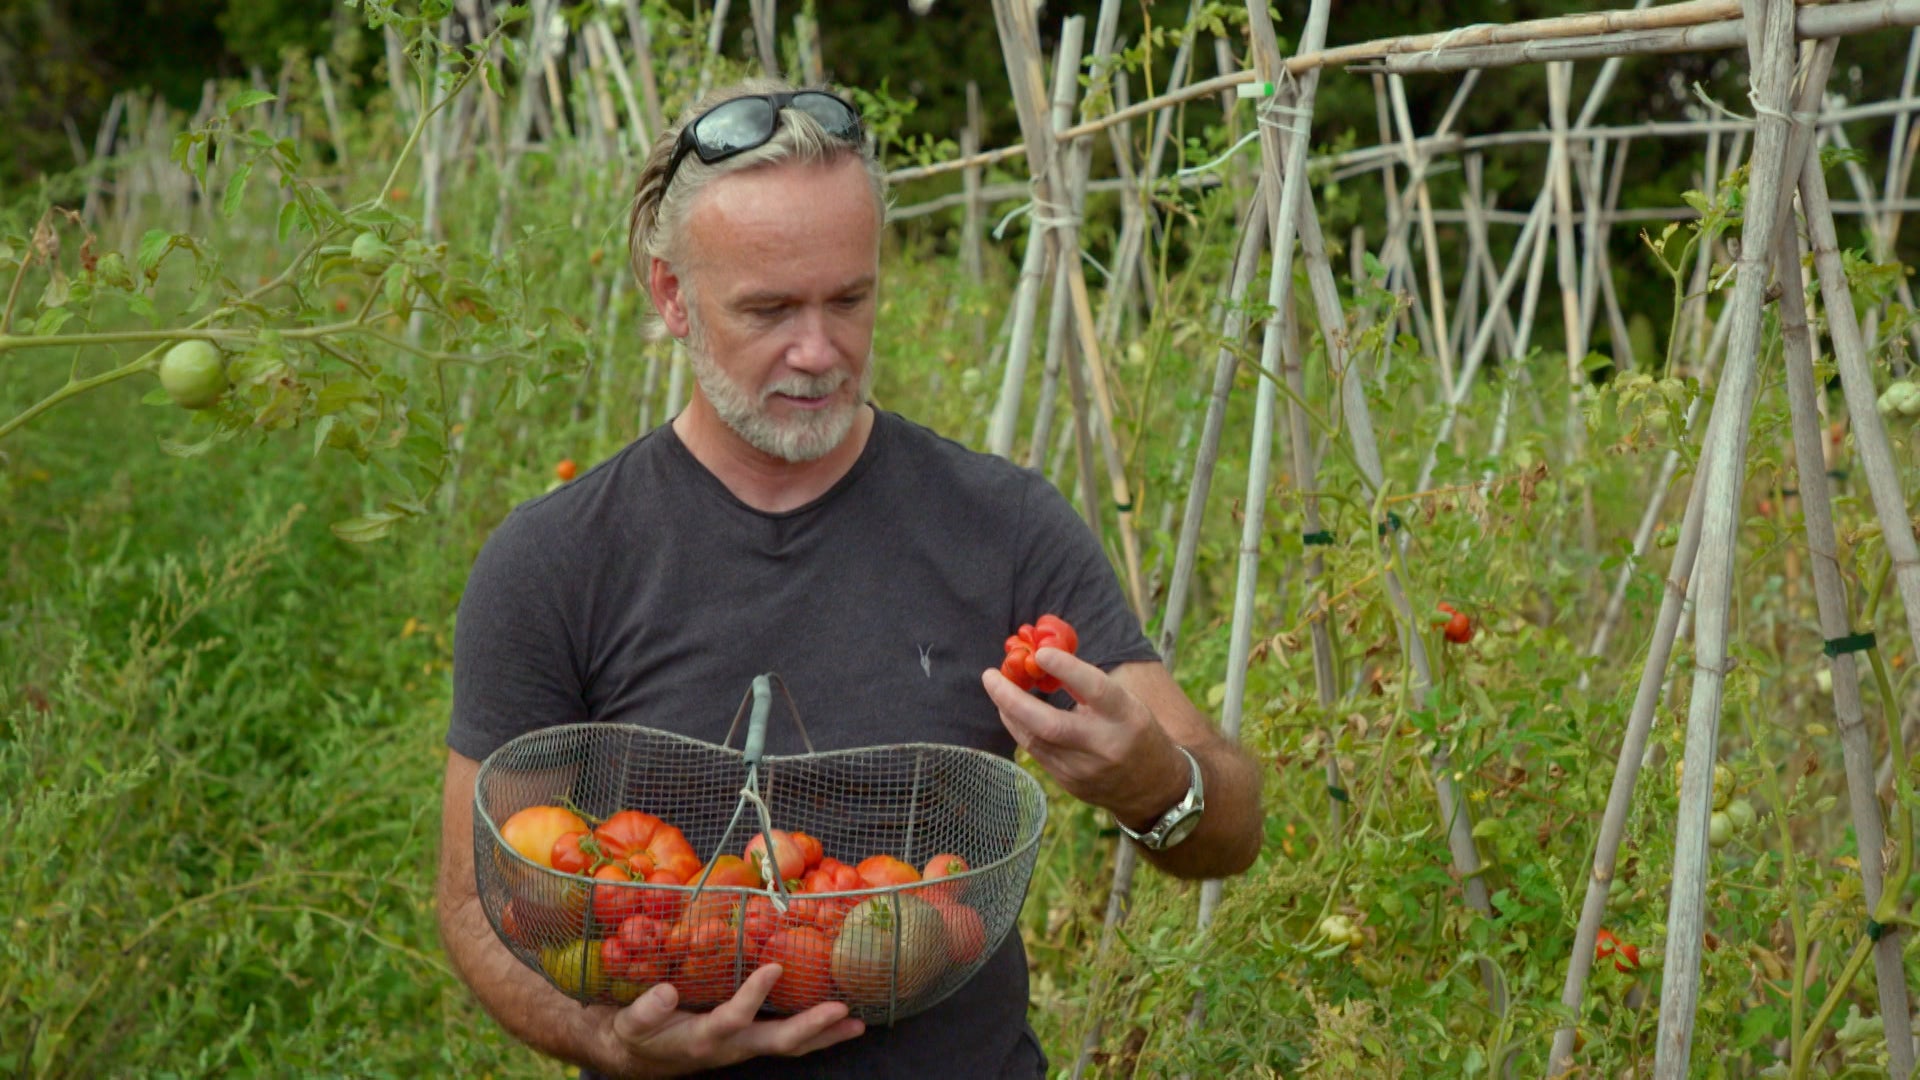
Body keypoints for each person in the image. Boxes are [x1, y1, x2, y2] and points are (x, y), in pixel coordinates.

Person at [435, 76, 1263, 1079]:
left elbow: (1229, 829)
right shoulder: (558, 561)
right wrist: (611, 1042)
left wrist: (1152, 784)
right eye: (771, 308)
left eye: (850, 299)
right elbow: (476, 905)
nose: (820, 351)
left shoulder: (999, 526)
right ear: (672, 299)